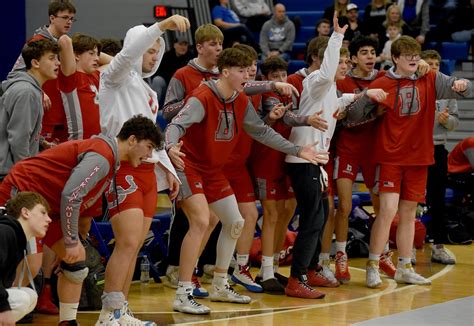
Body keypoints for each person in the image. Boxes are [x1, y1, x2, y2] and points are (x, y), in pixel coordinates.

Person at [166, 46, 327, 314]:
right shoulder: (202, 96)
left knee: (236, 221)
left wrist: (298, 150)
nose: (246, 76)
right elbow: (175, 126)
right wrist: (171, 146)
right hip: (188, 166)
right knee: (201, 221)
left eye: (248, 70)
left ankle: (219, 283)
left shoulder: (239, 100)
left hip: (214, 170)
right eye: (241, 71)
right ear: (225, 72)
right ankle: (183, 292)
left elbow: (263, 132)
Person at [0, 115, 162, 325]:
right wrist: (69, 239)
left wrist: (72, 242)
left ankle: (68, 322)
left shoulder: (111, 161)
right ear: (132, 140)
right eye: (148, 147)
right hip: (23, 194)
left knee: (76, 261)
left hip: (51, 207)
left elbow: (81, 206)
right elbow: (72, 196)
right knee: (32, 265)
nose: (149, 154)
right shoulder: (102, 156)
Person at [284, 13, 388, 298]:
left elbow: (340, 100)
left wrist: (365, 93)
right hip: (303, 162)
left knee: (321, 216)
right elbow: (329, 72)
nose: (344, 66)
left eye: (345, 62)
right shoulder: (319, 79)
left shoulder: (328, 88)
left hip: (315, 162)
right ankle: (297, 278)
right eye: (341, 61)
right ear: (323, 60)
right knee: (312, 220)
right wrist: (337, 36)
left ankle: (313, 268)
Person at [96, 15, 187, 326]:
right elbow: (126, 55)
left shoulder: (147, 91)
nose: (152, 54)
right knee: (127, 243)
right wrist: (160, 28)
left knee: (134, 246)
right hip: (123, 168)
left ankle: (121, 312)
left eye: (156, 50)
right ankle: (108, 314)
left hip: (148, 172)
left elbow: (153, 140)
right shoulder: (114, 75)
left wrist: (168, 172)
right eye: (148, 49)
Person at [365, 35, 471, 288]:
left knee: (409, 213)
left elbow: (464, 88)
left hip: (420, 157)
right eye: (408, 56)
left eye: (416, 55)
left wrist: (462, 84)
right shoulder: (384, 82)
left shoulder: (430, 78)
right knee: (388, 210)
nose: (414, 59)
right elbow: (357, 114)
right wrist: (367, 95)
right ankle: (373, 264)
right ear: (395, 59)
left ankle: (404, 266)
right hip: (391, 157)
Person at [9, 0, 77, 145]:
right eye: (65, 17)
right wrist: (39, 92)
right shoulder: (36, 42)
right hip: (44, 115)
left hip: (61, 114)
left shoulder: (65, 42)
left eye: (72, 19)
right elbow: (14, 74)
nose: (69, 22)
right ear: (52, 18)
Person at [0, 39, 60, 179]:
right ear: (35, 63)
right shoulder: (26, 92)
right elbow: (18, 139)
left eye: (57, 58)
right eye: (52, 58)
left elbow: (16, 129)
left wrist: (41, 143)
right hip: (10, 174)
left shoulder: (28, 89)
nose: (58, 63)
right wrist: (26, 174)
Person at [420, 49, 459, 264]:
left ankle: (439, 246)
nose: (433, 67)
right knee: (409, 199)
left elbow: (455, 123)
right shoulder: (414, 87)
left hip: (438, 149)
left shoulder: (448, 92)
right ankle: (406, 243)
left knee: (438, 199)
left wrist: (446, 121)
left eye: (436, 64)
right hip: (415, 149)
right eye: (429, 64)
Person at [0, 192, 52, 325]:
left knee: (30, 296)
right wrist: (3, 308)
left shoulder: (16, 237)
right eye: (43, 212)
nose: (49, 219)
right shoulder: (5, 232)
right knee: (21, 298)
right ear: (25, 212)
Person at [58, 33, 112, 141]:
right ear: (76, 55)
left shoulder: (95, 76)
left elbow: (115, 63)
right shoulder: (71, 78)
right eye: (91, 53)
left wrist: (94, 50)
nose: (97, 58)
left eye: (98, 55)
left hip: (97, 144)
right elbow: (64, 40)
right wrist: (83, 46)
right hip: (78, 145)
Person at [151, 34, 194, 106]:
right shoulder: (167, 56)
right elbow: (157, 72)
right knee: (157, 80)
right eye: (180, 44)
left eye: (185, 45)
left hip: (183, 87)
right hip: (168, 85)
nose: (183, 47)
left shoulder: (191, 57)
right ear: (174, 45)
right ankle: (154, 107)